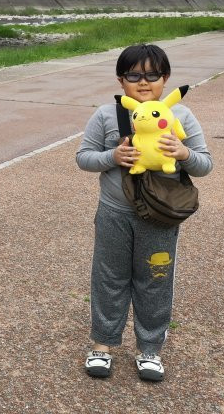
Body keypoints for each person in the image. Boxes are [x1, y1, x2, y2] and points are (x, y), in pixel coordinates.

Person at [76, 44, 212, 382]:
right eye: (134, 75)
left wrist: (183, 153)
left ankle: (149, 348)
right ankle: (102, 344)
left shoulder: (181, 116)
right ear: (121, 80)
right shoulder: (107, 115)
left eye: (152, 75)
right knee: (109, 277)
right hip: (114, 213)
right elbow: (83, 157)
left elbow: (205, 164)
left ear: (165, 79)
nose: (143, 82)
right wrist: (113, 157)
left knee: (155, 281)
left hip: (161, 216)